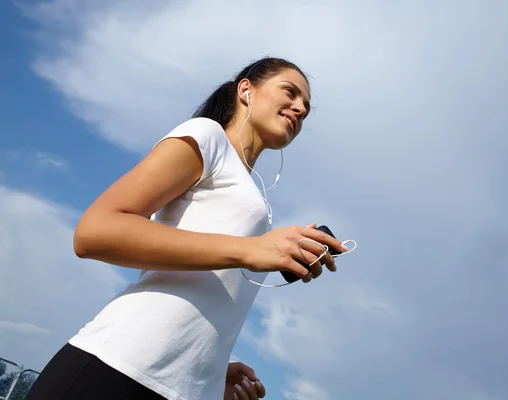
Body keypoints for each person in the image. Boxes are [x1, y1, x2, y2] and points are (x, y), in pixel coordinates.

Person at [26, 57, 347, 400]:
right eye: (290, 92)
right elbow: (94, 231)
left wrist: (210, 370)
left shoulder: (252, 194)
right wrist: (251, 249)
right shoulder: (207, 136)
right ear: (246, 89)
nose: (300, 108)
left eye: (307, 108)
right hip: (118, 367)